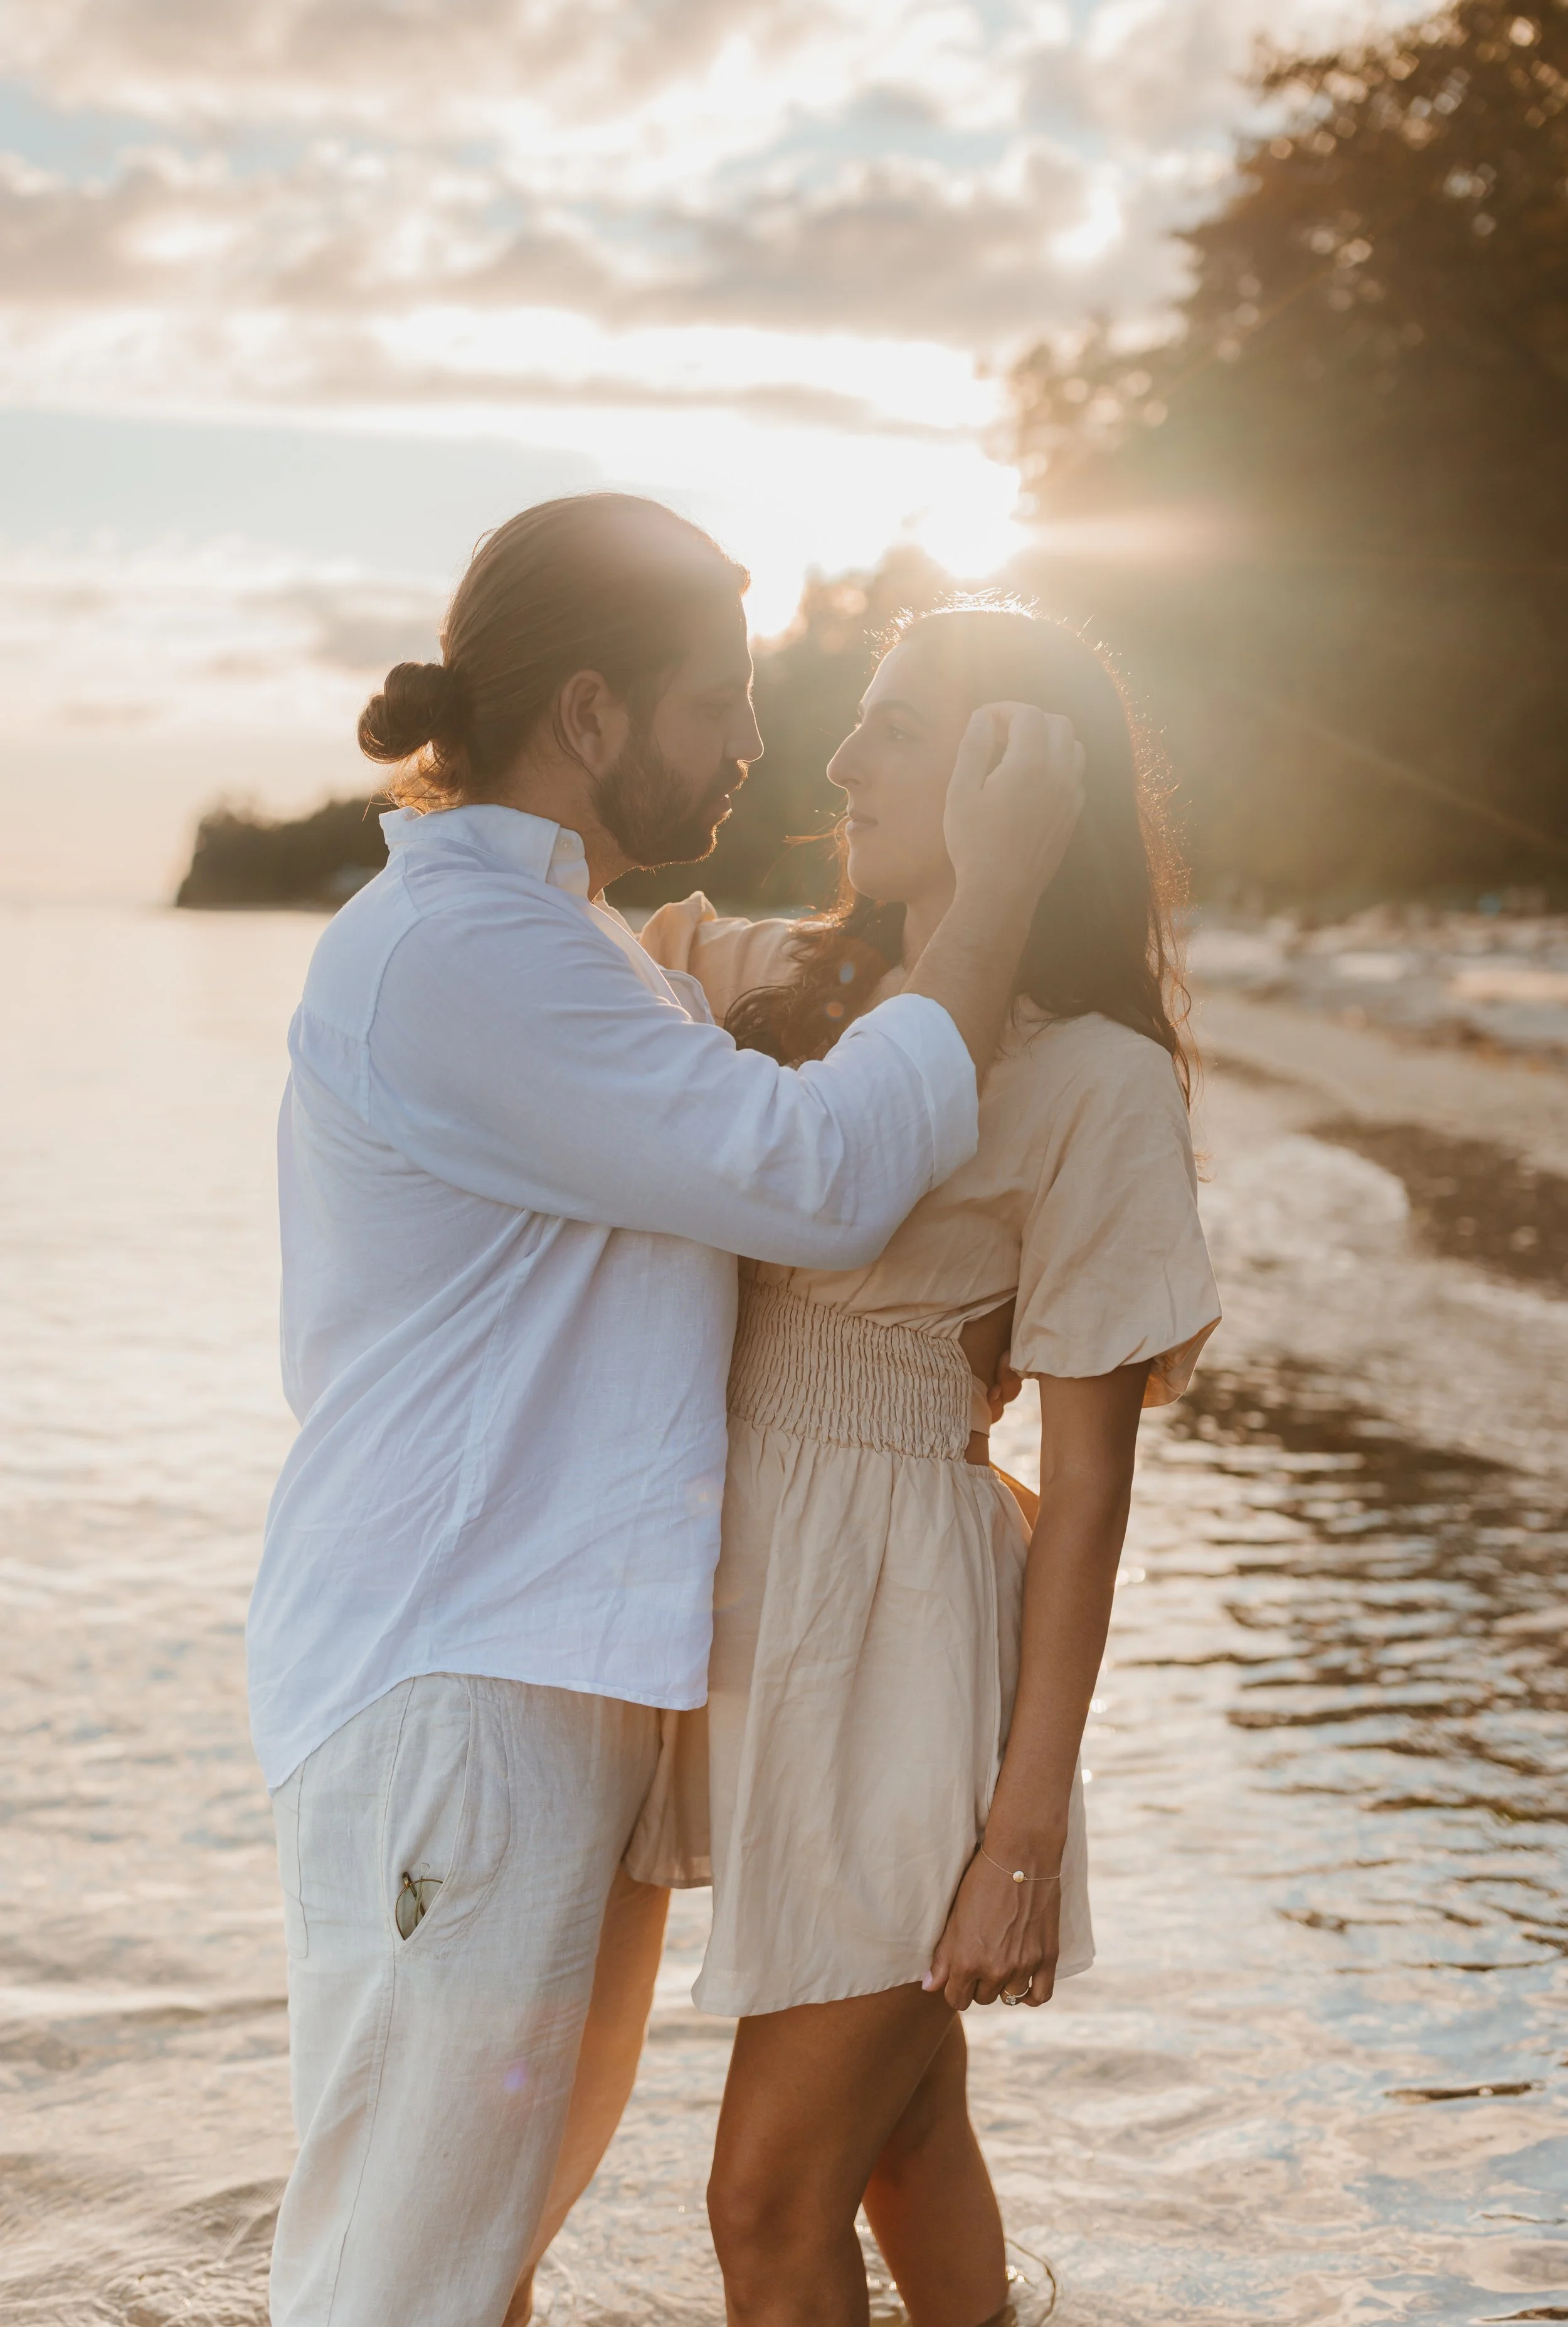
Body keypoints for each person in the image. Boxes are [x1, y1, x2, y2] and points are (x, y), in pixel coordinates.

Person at [248, 496, 1084, 2327]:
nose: (757, 744)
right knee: (403, 2275)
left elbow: (735, 1077)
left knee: (479, 2240)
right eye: (716, 702)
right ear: (591, 713)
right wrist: (1001, 886)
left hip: (536, 1681)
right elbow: (810, 1176)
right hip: (456, 1687)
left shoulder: (572, 941)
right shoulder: (475, 954)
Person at [638, 601, 1221, 2327]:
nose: (833, 759)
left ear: (1011, 773)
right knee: (901, 2148)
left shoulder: (1096, 1084)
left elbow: (1089, 1494)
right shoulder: (763, 980)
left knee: (766, 2199)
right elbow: (545, 974)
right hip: (745, 1656)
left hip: (906, 1673)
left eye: (897, 722)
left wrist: (1018, 1835)